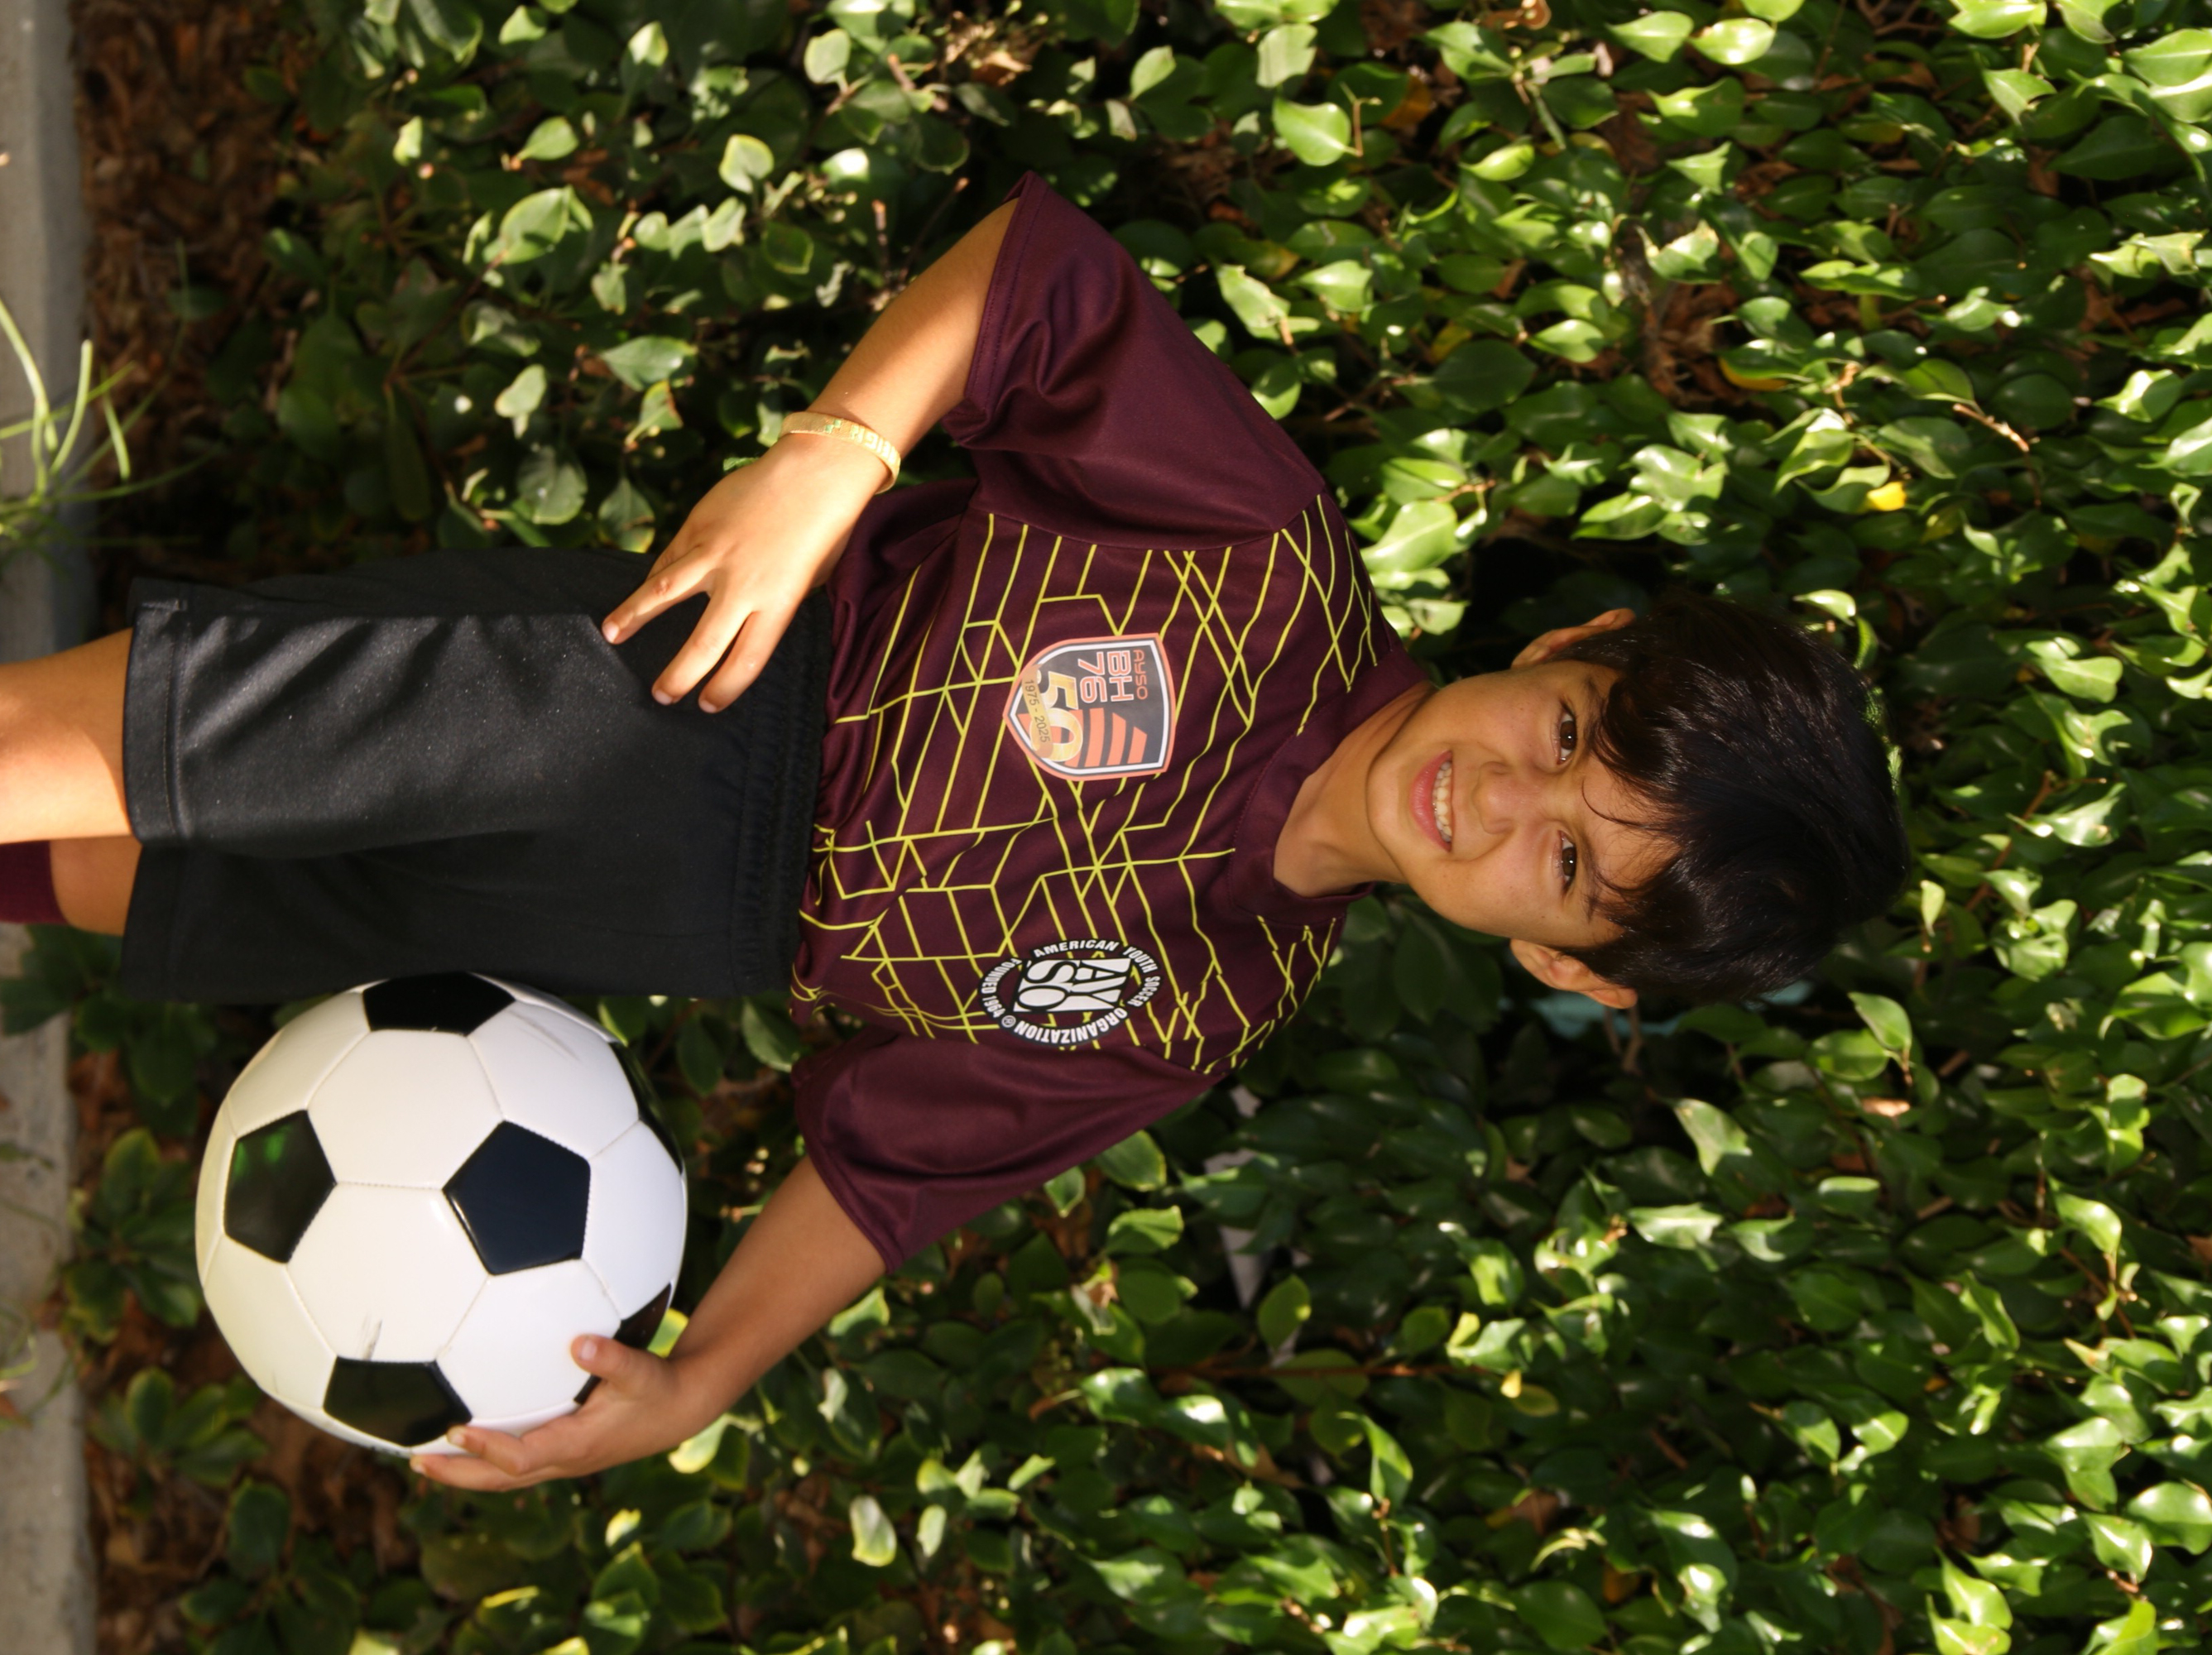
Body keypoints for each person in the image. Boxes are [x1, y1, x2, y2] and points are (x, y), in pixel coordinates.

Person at [0, 174, 1907, 1489]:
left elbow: (887, 1168)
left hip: (644, 932)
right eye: (1562, 737)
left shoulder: (1207, 1008)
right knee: (51, 755)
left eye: (1567, 861)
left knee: (104, 874)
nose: (1499, 798)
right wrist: (829, 462)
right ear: (1566, 647)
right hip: (647, 692)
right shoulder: (1263, 555)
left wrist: (702, 1375)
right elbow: (1037, 284)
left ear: (1566, 960)